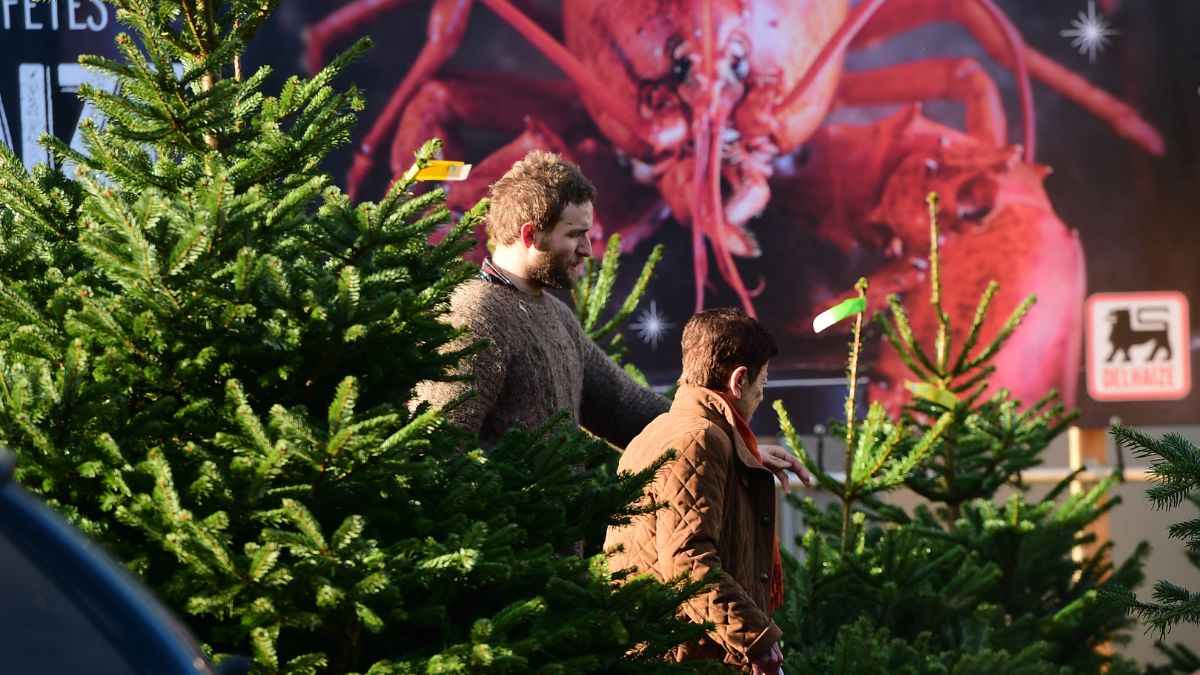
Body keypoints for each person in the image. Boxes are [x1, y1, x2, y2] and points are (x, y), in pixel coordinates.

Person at [415, 151, 807, 491]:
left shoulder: (556, 316)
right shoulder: (472, 313)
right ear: (530, 235)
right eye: (576, 234)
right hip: (495, 566)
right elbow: (433, 448)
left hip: (554, 567)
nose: (588, 249)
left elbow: (628, 409)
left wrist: (740, 448)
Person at [605, 308, 801, 673]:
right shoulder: (700, 439)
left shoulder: (659, 431)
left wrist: (750, 456)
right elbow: (687, 559)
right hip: (687, 656)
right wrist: (755, 639)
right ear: (739, 380)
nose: (761, 398)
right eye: (763, 385)